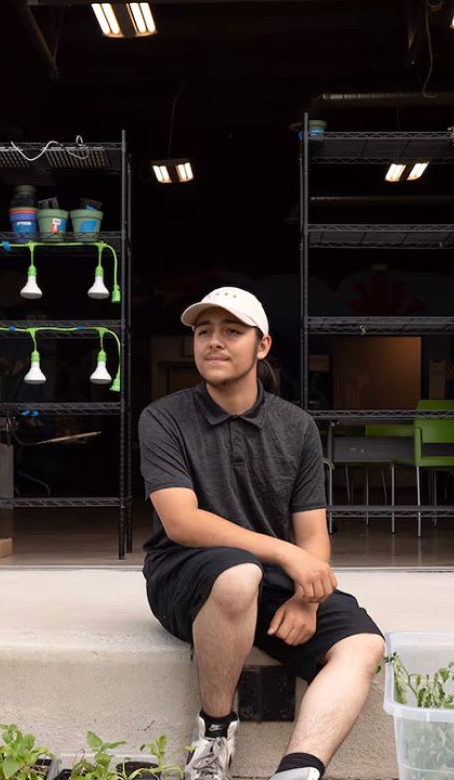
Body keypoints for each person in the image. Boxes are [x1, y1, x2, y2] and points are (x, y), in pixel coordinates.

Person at [139, 287, 385, 780]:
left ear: (263, 345)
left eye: (232, 331)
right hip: (184, 574)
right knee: (238, 574)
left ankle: (298, 770)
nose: (214, 342)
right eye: (204, 332)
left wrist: (307, 597)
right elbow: (181, 522)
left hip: (269, 579)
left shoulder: (296, 427)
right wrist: (287, 558)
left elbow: (312, 534)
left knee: (364, 645)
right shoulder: (163, 418)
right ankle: (214, 733)